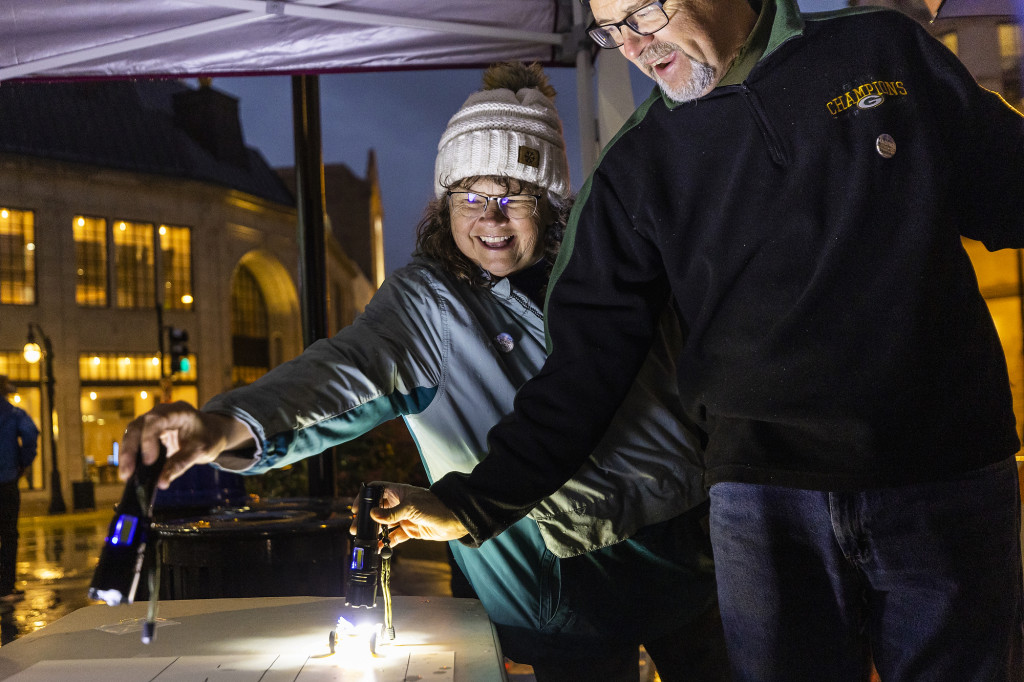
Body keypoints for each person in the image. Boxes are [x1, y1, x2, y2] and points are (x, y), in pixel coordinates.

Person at [361, 2, 1024, 681]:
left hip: (944, 479)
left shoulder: (881, 54)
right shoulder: (635, 170)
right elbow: (583, 373)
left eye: (643, 14)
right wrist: (469, 502)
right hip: (764, 505)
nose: (634, 47)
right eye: (611, 31)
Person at [120, 62, 729, 681]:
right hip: (563, 589)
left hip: (688, 555)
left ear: (547, 202)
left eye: (510, 196)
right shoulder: (430, 304)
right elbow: (345, 370)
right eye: (469, 196)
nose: (489, 219)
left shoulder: (604, 264)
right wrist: (227, 426)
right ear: (444, 204)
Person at [0, 376, 38, 604]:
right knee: (8, 534)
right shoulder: (13, 414)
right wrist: (23, 462)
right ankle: (5, 588)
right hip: (6, 480)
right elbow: (31, 434)